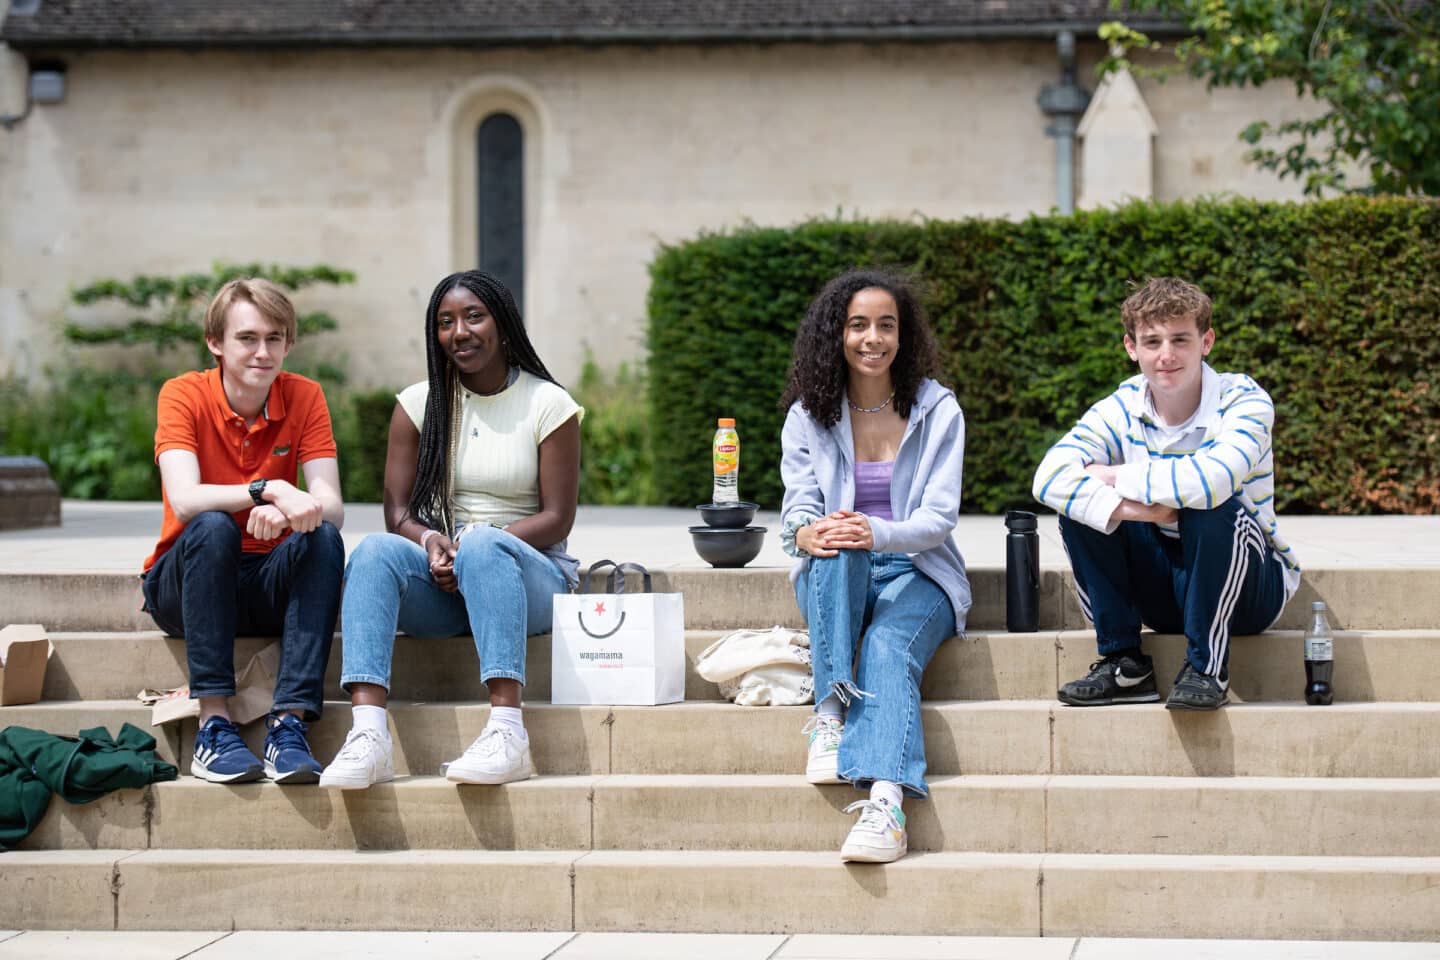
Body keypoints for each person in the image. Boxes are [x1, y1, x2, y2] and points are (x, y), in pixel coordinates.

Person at [319, 270, 582, 790]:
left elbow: (558, 517)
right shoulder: (417, 405)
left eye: (473, 316)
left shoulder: (547, 403)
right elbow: (397, 514)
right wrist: (432, 542)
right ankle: (369, 736)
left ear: (502, 325)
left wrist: (474, 546)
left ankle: (508, 733)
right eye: (445, 322)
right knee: (374, 551)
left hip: (531, 577)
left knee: (484, 541)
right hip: (445, 581)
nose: (459, 331)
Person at [1033, 276, 1301, 711]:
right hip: (1164, 587)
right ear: (1131, 347)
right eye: (1152, 341)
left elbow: (1213, 480)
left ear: (1206, 341)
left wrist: (1114, 475)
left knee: (1212, 508)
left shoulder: (1244, 400)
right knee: (1080, 509)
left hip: (1249, 592)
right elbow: (1048, 478)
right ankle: (1124, 665)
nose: (1166, 355)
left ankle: (1207, 667)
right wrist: (1155, 514)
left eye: (1180, 339)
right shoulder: (1120, 407)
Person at [778, 268, 969, 864]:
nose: (873, 338)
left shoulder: (938, 410)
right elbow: (799, 507)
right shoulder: (809, 415)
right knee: (835, 538)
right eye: (858, 325)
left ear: (903, 336)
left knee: (886, 648)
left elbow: (939, 517)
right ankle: (831, 711)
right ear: (835, 333)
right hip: (838, 570)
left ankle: (886, 805)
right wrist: (807, 533)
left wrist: (875, 529)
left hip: (919, 572)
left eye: (887, 325)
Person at [141, 278, 345, 785]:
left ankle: (289, 726)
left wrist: (299, 512)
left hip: (263, 583)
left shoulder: (304, 396)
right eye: (247, 338)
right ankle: (213, 723)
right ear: (216, 342)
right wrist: (271, 489)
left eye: (275, 338)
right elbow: (185, 498)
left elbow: (332, 505)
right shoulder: (183, 394)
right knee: (212, 527)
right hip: (185, 585)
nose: (262, 351)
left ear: (288, 345)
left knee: (322, 537)